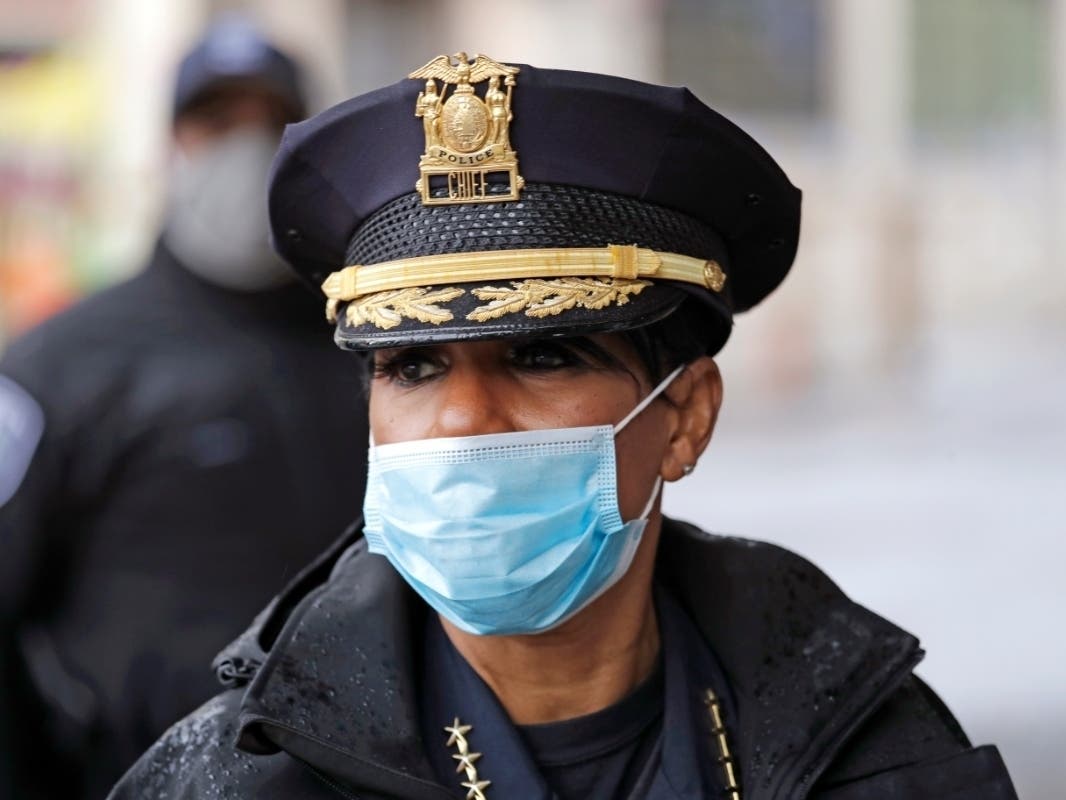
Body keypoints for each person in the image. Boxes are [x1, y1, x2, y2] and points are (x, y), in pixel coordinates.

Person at [109, 54, 1018, 799]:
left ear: (686, 415)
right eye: (413, 366)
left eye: (544, 356)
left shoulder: (866, 744)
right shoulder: (235, 780)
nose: (462, 422)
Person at [0, 18, 368, 800]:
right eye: (216, 123)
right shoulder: (55, 366)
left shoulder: (386, 353)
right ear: (171, 143)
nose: (244, 147)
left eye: (272, 123)